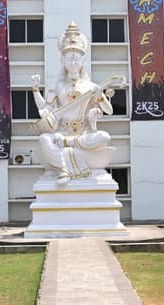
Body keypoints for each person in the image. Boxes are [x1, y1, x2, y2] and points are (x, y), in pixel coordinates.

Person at [31, 22, 126, 185]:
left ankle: (68, 145)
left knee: (104, 137)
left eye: (76, 59)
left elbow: (108, 110)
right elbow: (44, 108)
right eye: (70, 58)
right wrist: (35, 90)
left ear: (83, 61)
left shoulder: (90, 86)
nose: (73, 62)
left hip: (82, 135)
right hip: (61, 132)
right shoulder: (57, 85)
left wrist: (100, 97)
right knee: (44, 139)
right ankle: (63, 171)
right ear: (63, 61)